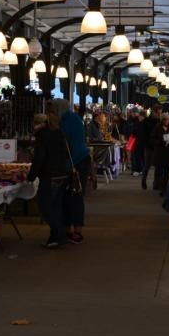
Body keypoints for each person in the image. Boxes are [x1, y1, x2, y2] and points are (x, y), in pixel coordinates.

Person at [27, 113, 70, 248]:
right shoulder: (58, 133)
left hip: (49, 176)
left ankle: (59, 235)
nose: (33, 127)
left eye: (34, 124)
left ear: (39, 124)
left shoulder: (42, 136)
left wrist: (31, 176)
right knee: (56, 207)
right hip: (62, 174)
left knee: (45, 207)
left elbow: (39, 158)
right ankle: (56, 237)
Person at [51, 98, 91, 244]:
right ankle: (68, 230)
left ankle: (76, 232)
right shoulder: (71, 118)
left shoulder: (68, 120)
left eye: (53, 110)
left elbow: (63, 139)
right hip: (76, 161)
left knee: (75, 196)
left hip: (77, 163)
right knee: (68, 197)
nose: (51, 113)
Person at [151, 113, 169, 195]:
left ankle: (164, 188)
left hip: (168, 153)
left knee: (166, 171)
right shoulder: (157, 128)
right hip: (159, 152)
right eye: (164, 119)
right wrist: (160, 142)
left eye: (167, 119)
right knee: (159, 171)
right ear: (162, 120)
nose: (166, 121)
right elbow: (152, 139)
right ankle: (159, 186)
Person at [140, 106, 161, 190]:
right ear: (153, 112)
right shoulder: (146, 121)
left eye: (160, 113)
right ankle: (143, 180)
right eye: (158, 112)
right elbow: (143, 135)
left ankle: (156, 184)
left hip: (157, 146)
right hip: (149, 147)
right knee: (147, 165)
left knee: (158, 166)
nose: (159, 114)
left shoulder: (160, 122)